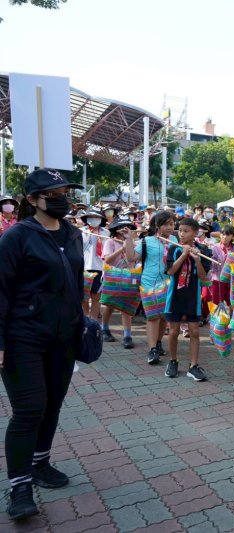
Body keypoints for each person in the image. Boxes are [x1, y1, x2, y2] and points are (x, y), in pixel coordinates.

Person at [0, 169, 84, 520]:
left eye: (65, 191)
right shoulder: (17, 237)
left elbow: (77, 284)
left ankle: (41, 463)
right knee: (29, 409)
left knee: (52, 405)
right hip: (24, 338)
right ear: (32, 200)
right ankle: (19, 486)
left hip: (63, 338)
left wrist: (82, 326)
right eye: (53, 193)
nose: (61, 198)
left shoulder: (73, 234)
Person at [125, 210, 177, 364]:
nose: (170, 227)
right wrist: (128, 239)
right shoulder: (146, 241)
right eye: (166, 224)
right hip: (149, 284)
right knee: (152, 316)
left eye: (172, 224)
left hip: (169, 283)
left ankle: (158, 342)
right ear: (157, 225)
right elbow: (131, 258)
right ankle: (152, 349)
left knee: (163, 317)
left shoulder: (174, 239)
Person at [163, 218, 211, 381]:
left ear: (195, 233)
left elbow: (204, 278)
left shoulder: (203, 250)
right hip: (175, 295)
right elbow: (170, 271)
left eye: (186, 231)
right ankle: (173, 361)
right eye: (180, 230)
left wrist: (197, 259)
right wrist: (184, 254)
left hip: (193, 296)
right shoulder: (174, 248)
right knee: (174, 331)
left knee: (195, 331)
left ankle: (193, 365)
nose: (181, 234)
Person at [101, 215, 138, 349]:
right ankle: (104, 329)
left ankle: (127, 335)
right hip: (112, 277)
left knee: (126, 307)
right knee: (109, 305)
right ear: (116, 229)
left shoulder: (133, 242)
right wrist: (121, 249)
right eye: (122, 227)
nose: (125, 229)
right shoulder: (109, 242)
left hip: (129, 277)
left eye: (128, 227)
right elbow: (108, 260)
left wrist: (129, 245)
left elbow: (134, 260)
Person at [81, 208, 110, 321]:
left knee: (96, 296)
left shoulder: (105, 232)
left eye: (97, 217)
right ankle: (84, 319)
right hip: (84, 267)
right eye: (92, 217)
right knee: (84, 297)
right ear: (87, 218)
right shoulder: (81, 231)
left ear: (101, 219)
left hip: (99, 267)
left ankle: (93, 321)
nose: (94, 219)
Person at [208, 224, 234, 306]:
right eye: (223, 234)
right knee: (217, 303)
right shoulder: (214, 248)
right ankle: (216, 318)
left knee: (232, 304)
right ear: (220, 235)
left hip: (231, 281)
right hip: (217, 280)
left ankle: (231, 318)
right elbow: (211, 265)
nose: (225, 237)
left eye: (228, 235)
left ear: (233, 237)